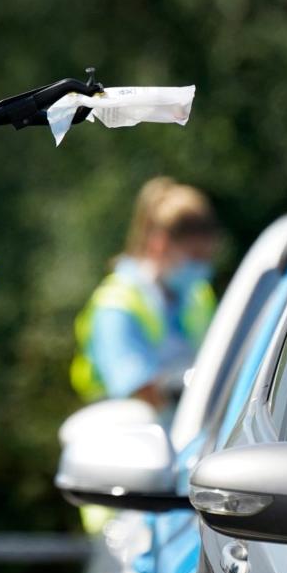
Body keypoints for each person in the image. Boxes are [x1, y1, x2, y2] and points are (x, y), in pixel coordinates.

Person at [70, 177, 219, 423]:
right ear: (159, 244)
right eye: (195, 255)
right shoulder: (117, 304)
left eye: (207, 256)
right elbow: (143, 390)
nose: (202, 266)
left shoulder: (198, 296)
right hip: (125, 441)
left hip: (186, 436)